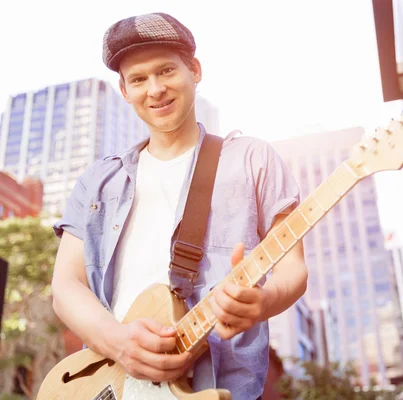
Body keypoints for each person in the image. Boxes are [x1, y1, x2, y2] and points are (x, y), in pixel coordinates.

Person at [51, 12, 308, 400]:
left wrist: (264, 301)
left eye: (166, 70)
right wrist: (118, 341)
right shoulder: (97, 181)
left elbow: (294, 268)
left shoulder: (252, 159)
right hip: (109, 387)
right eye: (138, 79)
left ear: (195, 71)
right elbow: (65, 285)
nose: (154, 89)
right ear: (125, 90)